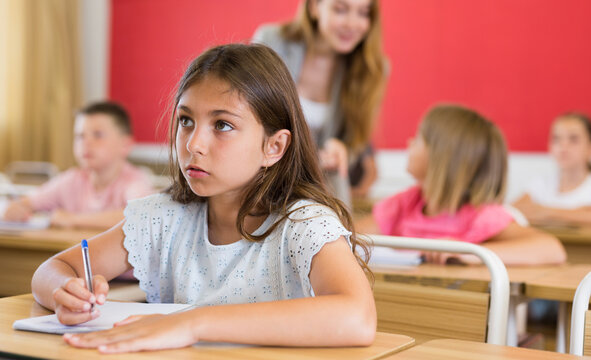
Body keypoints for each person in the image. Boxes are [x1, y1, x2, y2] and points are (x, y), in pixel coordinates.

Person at [31, 44, 375, 354]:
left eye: (222, 125)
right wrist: (67, 290)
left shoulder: (303, 226)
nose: (193, 144)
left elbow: (357, 316)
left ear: (274, 147)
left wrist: (191, 323)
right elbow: (53, 270)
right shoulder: (163, 217)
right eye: (185, 120)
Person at [371, 104, 566, 265]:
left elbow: (552, 249)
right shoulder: (406, 203)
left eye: (419, 138)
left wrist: (471, 253)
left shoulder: (479, 215)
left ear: (443, 157)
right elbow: (352, 236)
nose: (410, 142)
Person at [253, 0, 388, 204]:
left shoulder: (372, 69)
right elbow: (246, 113)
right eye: (341, 10)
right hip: (260, 180)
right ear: (314, 7)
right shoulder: (272, 41)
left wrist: (342, 150)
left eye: (363, 13)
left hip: (321, 192)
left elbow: (356, 139)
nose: (353, 24)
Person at [2, 101, 154, 229]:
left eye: (98, 135)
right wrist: (17, 208)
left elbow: (141, 216)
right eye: (80, 136)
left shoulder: (134, 181)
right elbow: (27, 202)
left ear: (125, 145)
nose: (86, 143)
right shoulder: (71, 179)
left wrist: (72, 219)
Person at [513, 112, 591, 226]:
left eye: (573, 139)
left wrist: (547, 212)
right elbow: (513, 210)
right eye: (557, 139)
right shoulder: (541, 184)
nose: (563, 147)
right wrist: (578, 213)